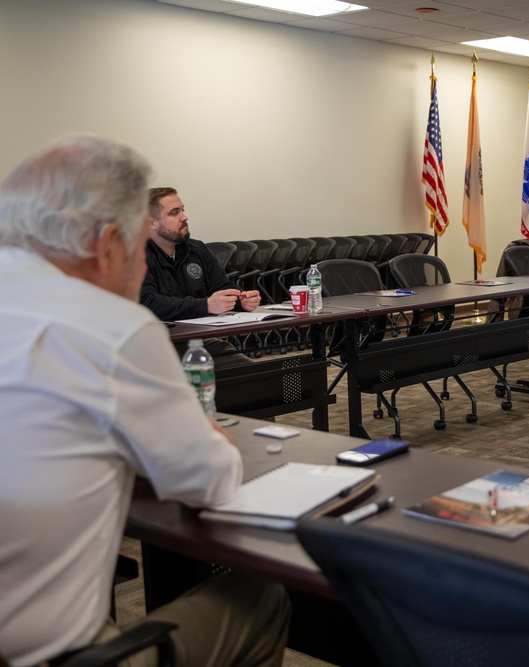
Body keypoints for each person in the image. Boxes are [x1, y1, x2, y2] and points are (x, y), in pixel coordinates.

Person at [0, 135, 290, 667]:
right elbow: (209, 480)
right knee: (259, 599)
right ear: (109, 243)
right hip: (40, 656)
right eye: (137, 249)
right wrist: (207, 436)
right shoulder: (112, 328)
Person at [141, 187, 261, 366]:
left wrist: (241, 298)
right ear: (152, 223)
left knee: (251, 373)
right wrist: (205, 305)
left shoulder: (197, 250)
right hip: (152, 348)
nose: (184, 217)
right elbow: (147, 303)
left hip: (197, 341)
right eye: (174, 213)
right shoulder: (134, 256)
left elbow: (222, 286)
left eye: (183, 209)